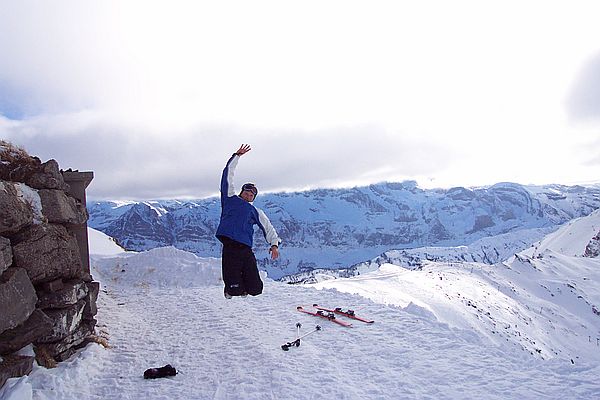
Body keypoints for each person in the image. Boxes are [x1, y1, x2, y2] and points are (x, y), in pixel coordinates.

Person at [215, 144, 281, 298]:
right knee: (234, 290)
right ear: (241, 192)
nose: (249, 194)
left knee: (256, 289)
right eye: (247, 191)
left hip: (245, 249)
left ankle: (243, 287)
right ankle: (231, 288)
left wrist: (274, 244)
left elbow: (268, 227)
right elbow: (227, 176)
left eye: (252, 194)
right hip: (230, 247)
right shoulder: (229, 199)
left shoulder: (255, 211)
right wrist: (236, 156)